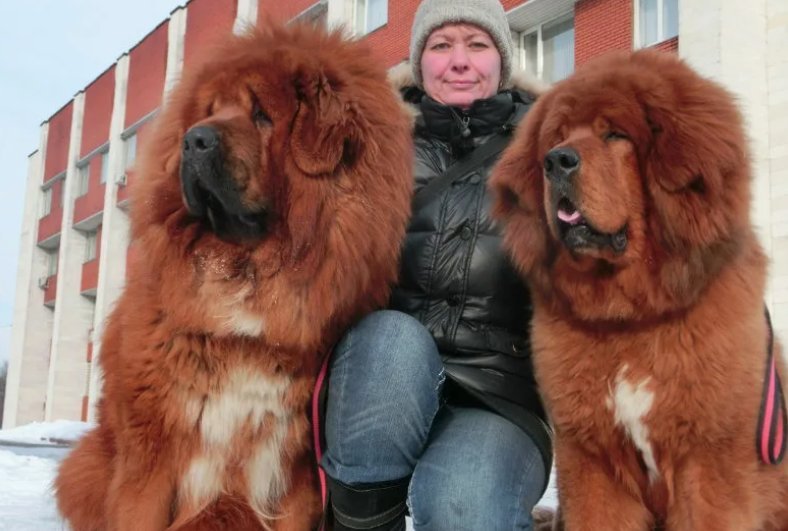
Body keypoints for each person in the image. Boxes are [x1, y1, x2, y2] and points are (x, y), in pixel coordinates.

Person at [320, 0, 552, 529]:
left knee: (464, 506)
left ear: (503, 59)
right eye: (441, 45)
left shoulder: (551, 145)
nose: (459, 61)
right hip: (379, 378)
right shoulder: (371, 142)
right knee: (393, 338)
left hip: (498, 391)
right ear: (419, 62)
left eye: (478, 44)